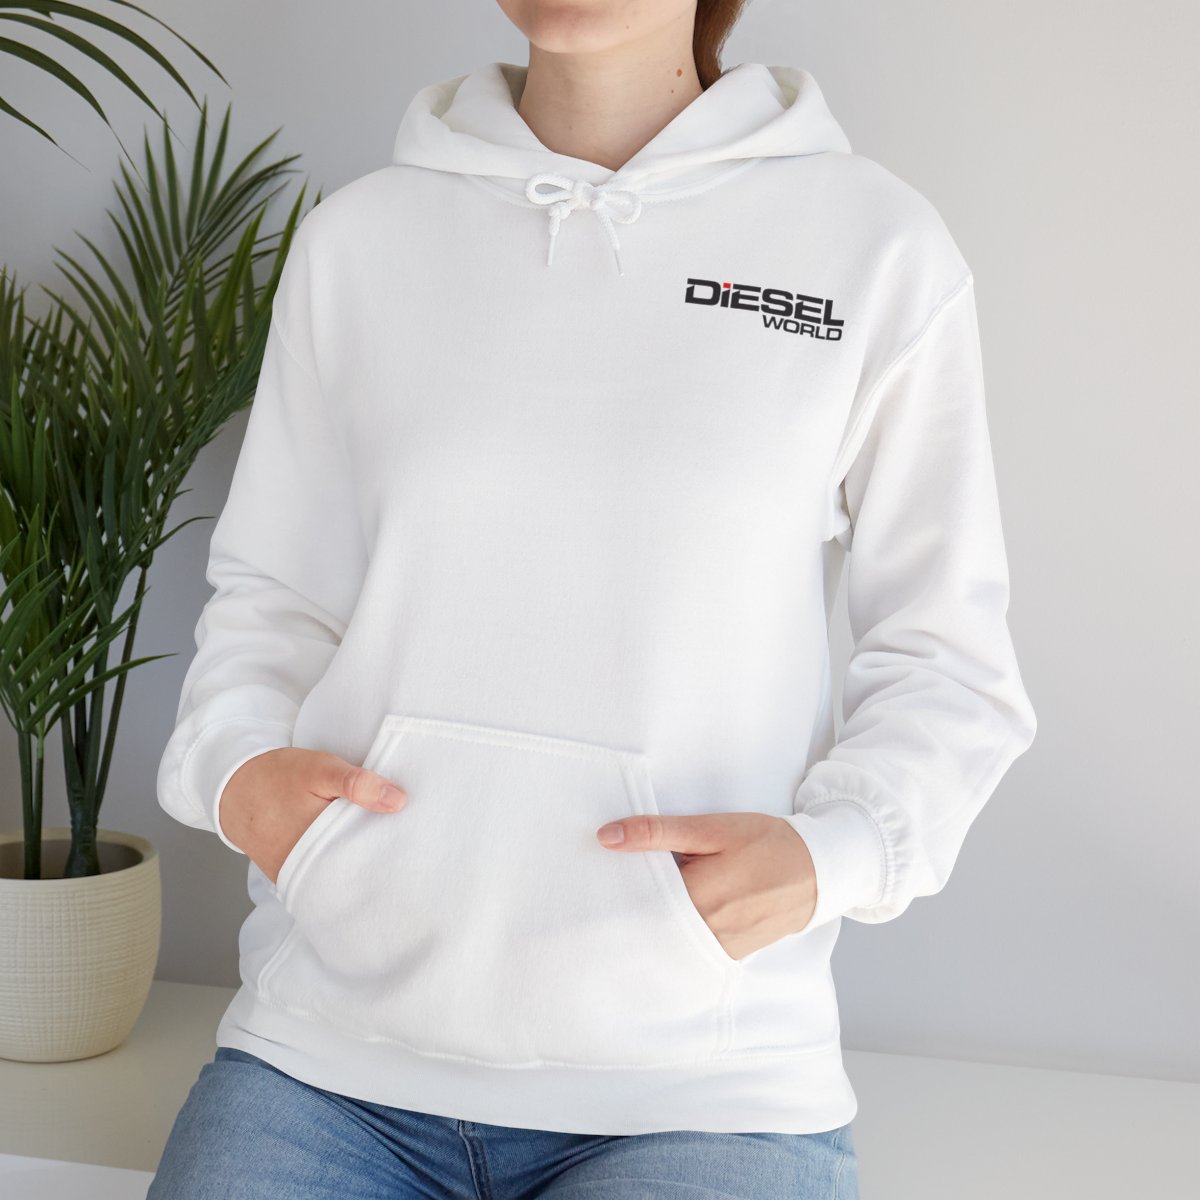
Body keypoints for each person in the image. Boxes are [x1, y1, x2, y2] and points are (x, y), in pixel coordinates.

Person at [149, 1, 1037, 1195]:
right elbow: (272, 593)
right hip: (329, 1060)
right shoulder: (362, 240)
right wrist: (237, 774)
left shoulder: (875, 249)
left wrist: (839, 854)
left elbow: (947, 656)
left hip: (704, 1087)